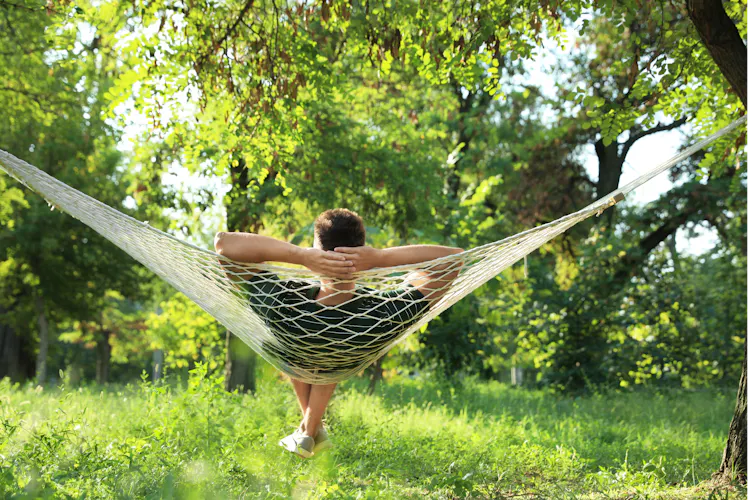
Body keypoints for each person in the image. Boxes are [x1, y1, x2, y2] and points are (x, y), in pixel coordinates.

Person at [214, 209, 463, 458]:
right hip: (347, 352)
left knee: (288, 347)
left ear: (318, 251)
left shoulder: (285, 303)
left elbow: (224, 245)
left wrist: (301, 256)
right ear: (362, 249)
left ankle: (309, 430)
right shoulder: (381, 313)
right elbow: (454, 260)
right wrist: (380, 257)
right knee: (333, 351)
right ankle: (310, 430)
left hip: (294, 344)